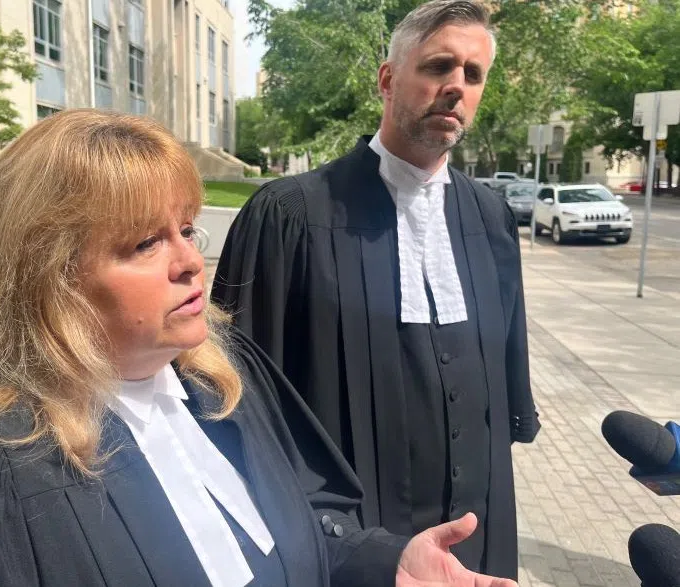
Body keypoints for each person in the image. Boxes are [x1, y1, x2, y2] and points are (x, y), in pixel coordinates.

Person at [0, 110, 516, 587]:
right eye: (145, 242)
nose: (188, 263)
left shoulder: (222, 387)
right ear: (47, 275)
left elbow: (304, 531)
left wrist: (389, 562)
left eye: (186, 229)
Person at [211, 1, 540, 580]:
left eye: (473, 74)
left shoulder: (490, 218)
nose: (455, 87)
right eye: (438, 66)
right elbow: (242, 395)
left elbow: (507, 356)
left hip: (476, 521)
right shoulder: (289, 215)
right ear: (389, 78)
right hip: (352, 531)